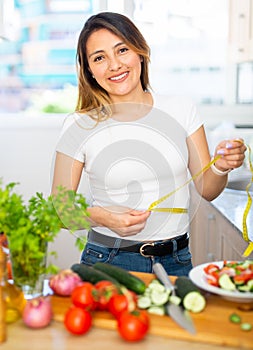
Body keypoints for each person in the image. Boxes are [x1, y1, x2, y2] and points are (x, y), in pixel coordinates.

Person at [51, 12, 246, 276]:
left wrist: (221, 167)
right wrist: (103, 217)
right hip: (108, 259)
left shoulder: (181, 108)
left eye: (122, 50)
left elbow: (208, 190)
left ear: (140, 52)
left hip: (177, 259)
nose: (114, 65)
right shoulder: (79, 124)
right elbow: (59, 209)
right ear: (89, 70)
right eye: (99, 58)